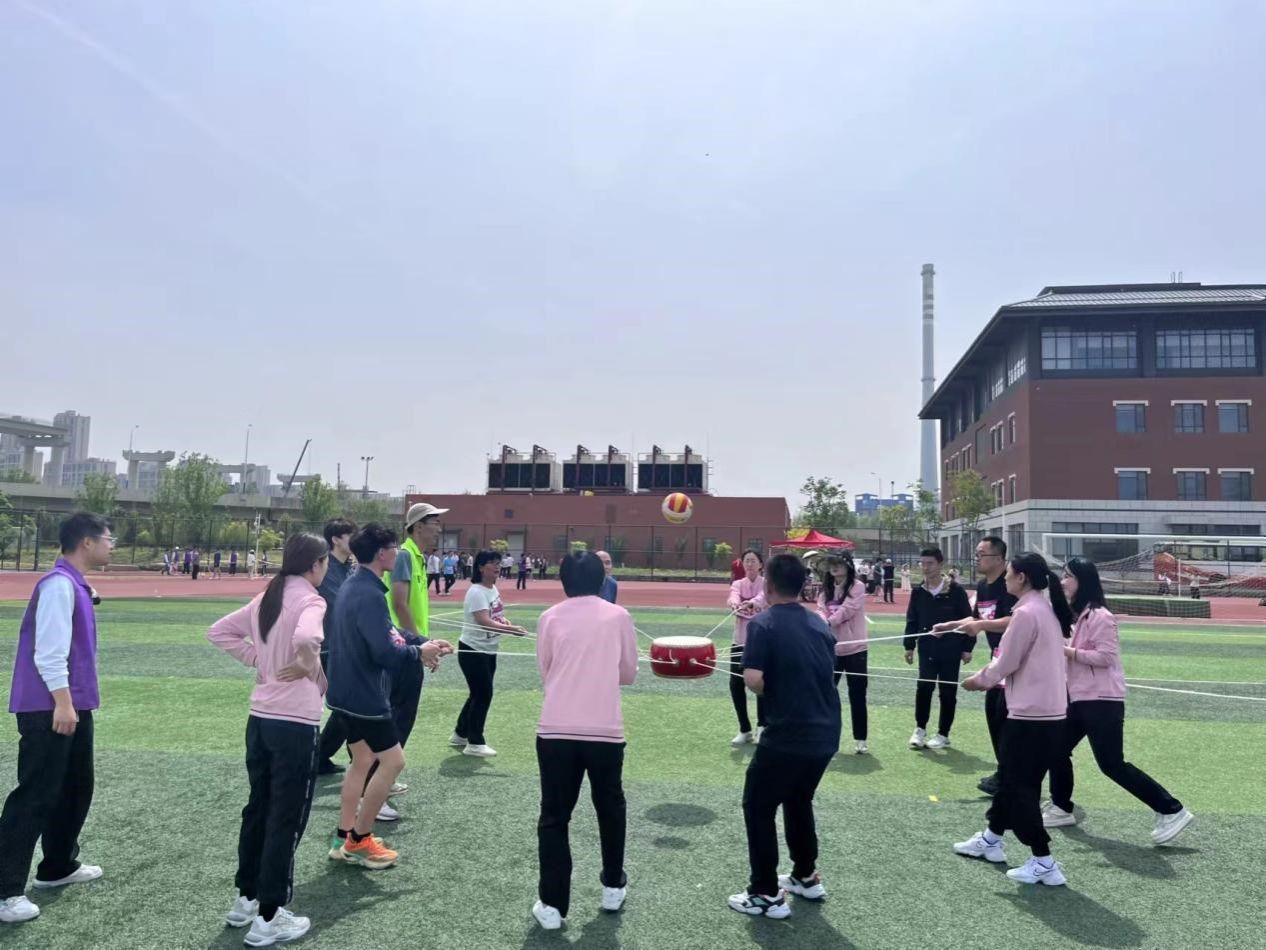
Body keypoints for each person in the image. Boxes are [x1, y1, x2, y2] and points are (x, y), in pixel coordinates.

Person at [206, 533, 330, 946]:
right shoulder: (310, 600)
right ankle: (270, 914)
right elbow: (308, 638)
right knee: (285, 818)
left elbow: (219, 632)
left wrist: (260, 659)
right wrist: (306, 662)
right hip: (294, 723)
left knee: (258, 809)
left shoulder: (268, 597)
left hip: (260, 720)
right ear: (316, 564)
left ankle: (247, 898)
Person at [0, 513, 113, 925]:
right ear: (86, 543)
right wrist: (62, 704)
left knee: (76, 787)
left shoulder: (72, 583)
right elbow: (48, 651)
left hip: (71, 703)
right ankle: (5, 891)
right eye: (108, 539)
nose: (111, 545)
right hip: (50, 705)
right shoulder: (59, 586)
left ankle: (58, 865)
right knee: (36, 794)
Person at [325, 523, 452, 869]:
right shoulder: (367, 592)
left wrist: (422, 643)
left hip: (345, 693)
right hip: (364, 696)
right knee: (393, 762)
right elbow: (384, 651)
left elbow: (388, 633)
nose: (397, 553)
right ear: (382, 553)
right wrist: (419, 652)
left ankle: (343, 837)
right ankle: (360, 840)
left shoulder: (357, 585)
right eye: (394, 547)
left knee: (362, 761)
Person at [1043, 557, 1195, 844]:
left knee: (1112, 764)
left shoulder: (1100, 616)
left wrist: (1066, 651)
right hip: (1081, 699)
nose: (1063, 582)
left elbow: (1105, 657)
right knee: (1054, 748)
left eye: (1068, 576)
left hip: (1102, 700)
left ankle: (1171, 809)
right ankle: (1061, 807)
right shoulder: (1082, 615)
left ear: (1083, 581)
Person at [729, 554, 841, 919]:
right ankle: (805, 875)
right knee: (798, 799)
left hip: (789, 733)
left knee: (758, 806)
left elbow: (753, 679)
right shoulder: (819, 623)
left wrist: (776, 689)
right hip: (826, 732)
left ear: (769, 584)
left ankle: (764, 893)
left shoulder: (763, 623)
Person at [531, 550, 638, 930]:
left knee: (554, 817)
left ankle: (553, 905)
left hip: (556, 729)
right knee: (610, 808)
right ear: (602, 579)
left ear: (563, 581)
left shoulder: (549, 618)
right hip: (605, 730)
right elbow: (628, 674)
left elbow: (546, 671)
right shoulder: (618, 616)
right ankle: (612, 886)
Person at [955, 552, 1072, 886]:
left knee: (1020, 786)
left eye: (1009, 573)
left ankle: (1043, 860)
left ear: (1021, 578)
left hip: (1031, 715)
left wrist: (978, 680)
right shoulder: (1042, 609)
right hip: (1047, 713)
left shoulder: (1027, 613)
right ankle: (992, 838)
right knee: (1011, 779)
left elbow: (1006, 662)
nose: (1005, 578)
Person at [933, 536, 1016, 796]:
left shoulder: (1011, 585)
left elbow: (1014, 621)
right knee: (994, 715)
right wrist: (949, 626)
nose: (976, 558)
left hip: (1016, 662)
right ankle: (1005, 773)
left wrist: (979, 626)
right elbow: (977, 617)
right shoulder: (983, 586)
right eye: (977, 554)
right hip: (998, 660)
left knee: (1006, 720)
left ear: (999, 559)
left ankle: (1012, 777)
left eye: (982, 554)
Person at [382, 503, 447, 820]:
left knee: (399, 718)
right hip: (403, 650)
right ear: (418, 526)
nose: (439, 528)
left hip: (408, 647)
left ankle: (382, 780)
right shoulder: (406, 556)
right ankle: (375, 788)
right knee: (397, 718)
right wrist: (422, 644)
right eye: (434, 522)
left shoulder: (416, 557)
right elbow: (399, 604)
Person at [450, 551, 528, 757]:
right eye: (492, 563)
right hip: (473, 650)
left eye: (498, 563)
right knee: (483, 694)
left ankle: (460, 733)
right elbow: (484, 621)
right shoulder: (476, 592)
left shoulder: (492, 589)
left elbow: (495, 615)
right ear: (481, 567)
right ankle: (475, 742)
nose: (497, 567)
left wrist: (505, 622)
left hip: (488, 649)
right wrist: (511, 630)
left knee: (478, 693)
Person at [904, 547, 973, 750]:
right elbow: (912, 619)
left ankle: (943, 733)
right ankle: (920, 729)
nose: (925, 567)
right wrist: (909, 646)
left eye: (930, 563)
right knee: (924, 688)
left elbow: (969, 619)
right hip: (927, 648)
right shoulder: (918, 592)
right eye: (922, 563)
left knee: (948, 691)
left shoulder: (956, 591)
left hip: (951, 649)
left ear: (940, 564)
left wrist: (968, 647)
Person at [316, 518, 356, 776]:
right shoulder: (324, 568)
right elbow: (340, 603)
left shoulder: (349, 568)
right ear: (336, 539)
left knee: (347, 706)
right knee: (347, 706)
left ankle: (320, 756)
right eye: (351, 535)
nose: (356, 540)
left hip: (345, 647)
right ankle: (320, 756)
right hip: (327, 647)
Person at [818, 555, 869, 754]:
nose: (834, 568)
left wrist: (828, 622)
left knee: (857, 695)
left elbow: (848, 609)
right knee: (827, 695)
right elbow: (821, 609)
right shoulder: (826, 589)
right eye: (831, 565)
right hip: (832, 650)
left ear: (848, 567)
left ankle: (861, 739)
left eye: (839, 564)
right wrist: (822, 620)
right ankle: (826, 737)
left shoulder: (857, 586)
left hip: (856, 649)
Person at [726, 550, 767, 747]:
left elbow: (762, 597)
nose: (749, 564)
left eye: (753, 561)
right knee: (735, 683)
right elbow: (732, 597)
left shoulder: (766, 583)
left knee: (760, 683)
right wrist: (735, 604)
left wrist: (752, 603)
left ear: (761, 564)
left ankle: (762, 726)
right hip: (739, 640)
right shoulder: (737, 584)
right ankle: (744, 729)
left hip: (761, 641)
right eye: (746, 561)